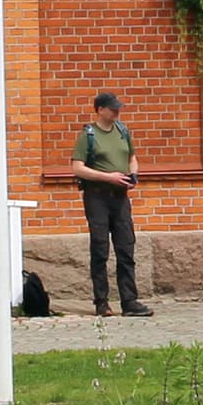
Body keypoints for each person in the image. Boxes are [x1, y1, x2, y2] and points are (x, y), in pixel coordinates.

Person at [71, 90, 150, 318]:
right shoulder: (89, 135)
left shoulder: (122, 131)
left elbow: (131, 157)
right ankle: (102, 302)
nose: (117, 111)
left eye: (118, 107)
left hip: (120, 197)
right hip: (97, 197)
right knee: (100, 248)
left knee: (126, 247)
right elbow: (78, 167)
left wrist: (132, 174)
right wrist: (109, 177)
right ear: (100, 110)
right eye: (113, 108)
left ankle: (130, 301)